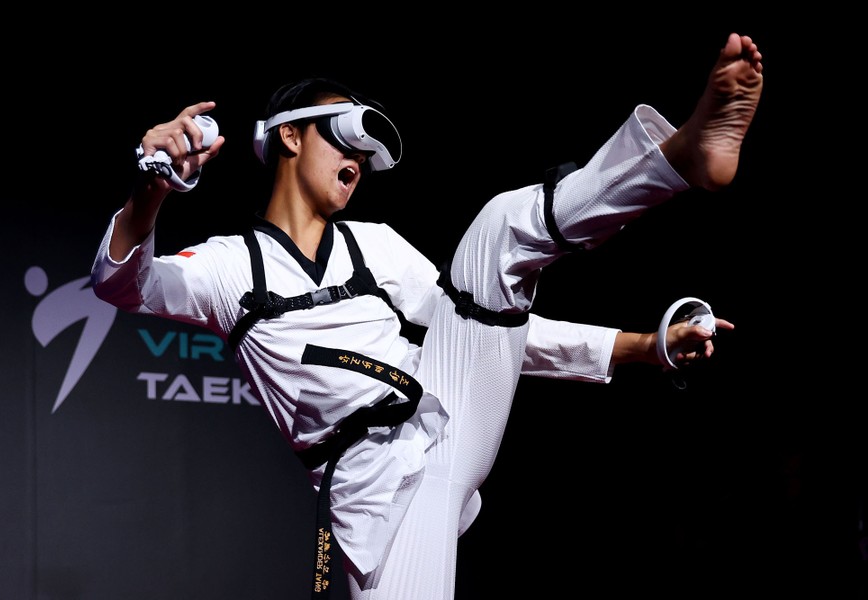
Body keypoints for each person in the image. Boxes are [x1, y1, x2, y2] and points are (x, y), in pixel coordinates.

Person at [91, 32, 762, 599]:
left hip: (443, 418)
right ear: (289, 137)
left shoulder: (376, 245)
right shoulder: (228, 266)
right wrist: (154, 184)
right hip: (375, 490)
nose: (357, 159)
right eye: (343, 138)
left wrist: (644, 346)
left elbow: (488, 323)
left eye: (364, 153)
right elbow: (123, 284)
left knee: (500, 228)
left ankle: (680, 155)